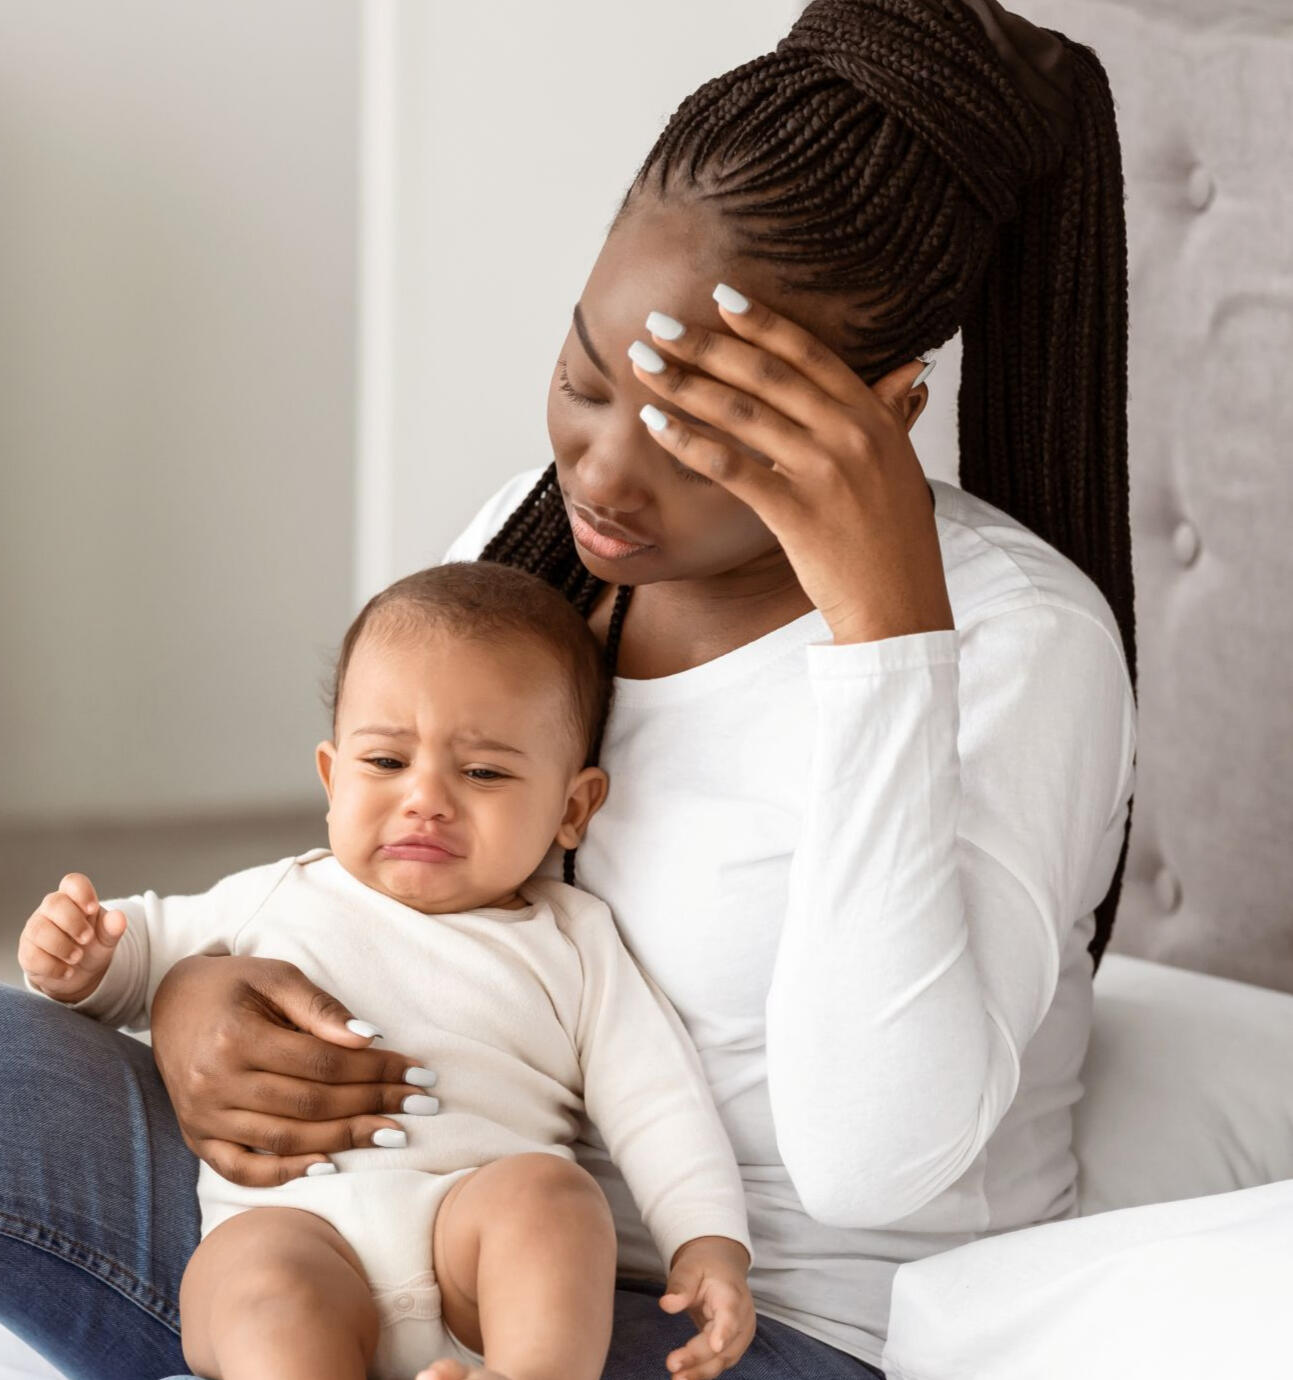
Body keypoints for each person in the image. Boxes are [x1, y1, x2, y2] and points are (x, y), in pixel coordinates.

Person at [0, 2, 1137, 1377]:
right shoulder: (533, 547)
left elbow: (872, 1164)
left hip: (746, 1321)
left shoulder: (1023, 644)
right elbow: (386, 869)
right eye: (586, 378)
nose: (599, 474)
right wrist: (195, 1005)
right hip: (404, 1215)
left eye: (693, 436)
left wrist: (886, 630)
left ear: (885, 411)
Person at [16, 561, 756, 1380]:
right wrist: (81, 959)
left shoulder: (574, 940)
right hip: (299, 1225)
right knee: (255, 1277)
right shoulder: (276, 894)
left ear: (572, 808)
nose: (425, 799)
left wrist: (707, 1240)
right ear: (333, 777)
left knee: (553, 1201)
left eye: (482, 772)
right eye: (385, 763)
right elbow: (140, 953)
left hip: (471, 1242)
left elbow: (655, 1100)